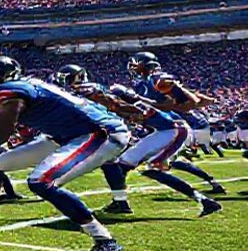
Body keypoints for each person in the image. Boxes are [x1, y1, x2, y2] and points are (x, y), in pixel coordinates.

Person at [0, 56, 130, 251]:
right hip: (65, 135)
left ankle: (105, 240)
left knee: (41, 181)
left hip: (97, 133)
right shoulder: (27, 85)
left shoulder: (11, 91)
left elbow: (1, 135)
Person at [53, 64, 221, 217]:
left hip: (173, 130)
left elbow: (107, 104)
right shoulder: (114, 93)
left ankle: (205, 201)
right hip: (164, 130)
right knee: (117, 165)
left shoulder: (91, 89)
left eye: (66, 78)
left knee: (152, 169)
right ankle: (120, 202)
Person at [128, 52, 226, 193]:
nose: (132, 68)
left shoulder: (159, 80)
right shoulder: (143, 83)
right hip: (167, 127)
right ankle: (212, 184)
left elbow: (191, 101)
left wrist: (160, 105)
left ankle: (201, 197)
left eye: (135, 64)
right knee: (171, 161)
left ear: (144, 64)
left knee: (153, 165)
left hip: (176, 128)